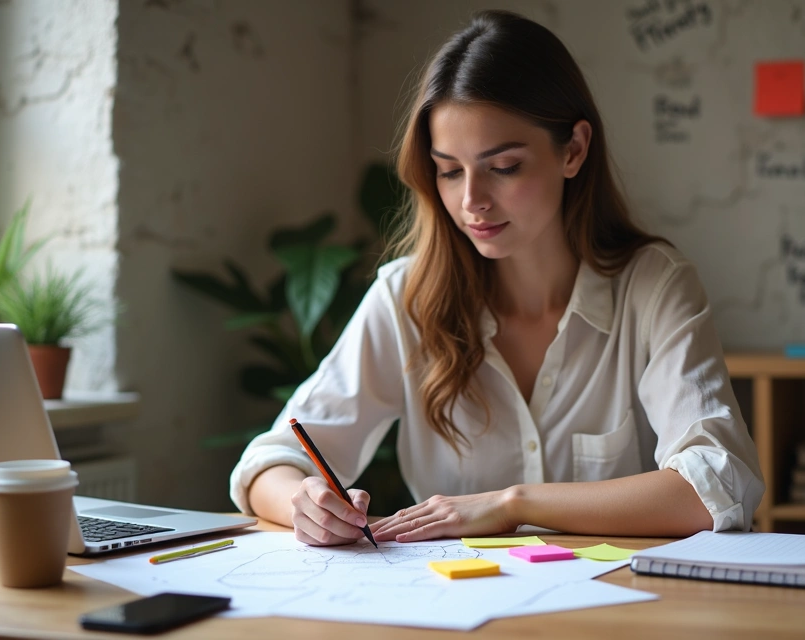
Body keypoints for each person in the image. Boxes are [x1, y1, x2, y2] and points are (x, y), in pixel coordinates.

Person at [229, 9, 763, 546]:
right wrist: (308, 506)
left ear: (574, 150)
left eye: (503, 167)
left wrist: (511, 505)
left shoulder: (654, 287)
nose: (472, 202)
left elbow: (718, 483)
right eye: (449, 170)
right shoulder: (405, 296)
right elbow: (271, 459)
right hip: (454, 613)